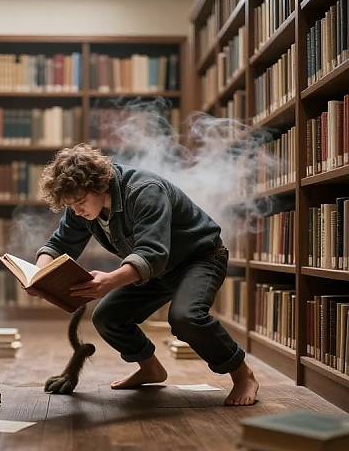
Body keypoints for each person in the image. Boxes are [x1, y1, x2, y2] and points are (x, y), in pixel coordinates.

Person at [34, 144, 259, 406]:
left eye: (80, 202)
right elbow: (60, 244)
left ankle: (243, 375)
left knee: (186, 317)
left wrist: (109, 281)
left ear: (100, 184)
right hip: (158, 269)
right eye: (70, 205)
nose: (76, 211)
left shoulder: (144, 191)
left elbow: (152, 253)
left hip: (200, 258)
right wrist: (40, 273)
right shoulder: (81, 207)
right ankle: (151, 369)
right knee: (108, 317)